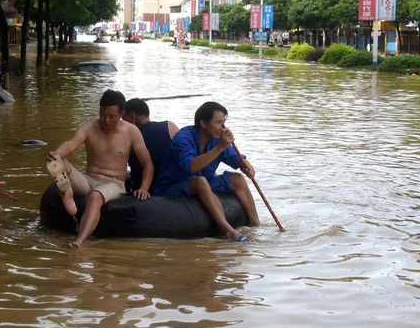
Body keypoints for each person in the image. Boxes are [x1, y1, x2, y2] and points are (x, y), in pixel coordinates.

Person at [46, 89, 154, 249]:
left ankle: (79, 241)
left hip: (114, 183)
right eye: (103, 114)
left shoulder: (132, 131)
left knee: (95, 197)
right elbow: (71, 144)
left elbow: (148, 164)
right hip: (88, 178)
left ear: (121, 114)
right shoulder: (89, 127)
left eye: (112, 116)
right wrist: (57, 154)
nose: (106, 120)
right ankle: (66, 192)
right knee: (55, 162)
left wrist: (144, 188)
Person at [153, 102, 260, 241]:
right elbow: (190, 167)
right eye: (218, 123)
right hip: (174, 186)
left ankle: (255, 224)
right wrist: (220, 147)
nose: (223, 128)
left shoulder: (216, 140)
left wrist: (246, 166)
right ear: (203, 123)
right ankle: (228, 232)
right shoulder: (183, 138)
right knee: (200, 181)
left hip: (205, 182)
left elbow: (236, 159)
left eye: (224, 123)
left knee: (237, 178)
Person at [122, 98, 179, 191]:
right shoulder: (170, 126)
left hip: (141, 187)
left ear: (132, 117)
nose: (122, 124)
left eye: (123, 120)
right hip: (170, 184)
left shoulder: (128, 135)